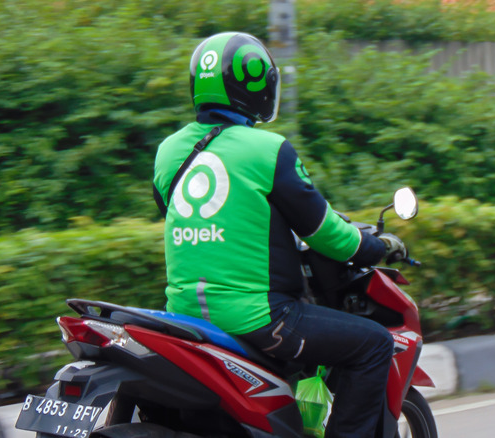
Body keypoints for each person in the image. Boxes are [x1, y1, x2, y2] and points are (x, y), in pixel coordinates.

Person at [152, 32, 407, 438]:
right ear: (257, 86)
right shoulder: (267, 150)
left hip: (182, 315)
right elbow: (327, 234)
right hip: (259, 317)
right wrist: (378, 245)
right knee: (374, 344)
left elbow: (180, 218)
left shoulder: (168, 151)